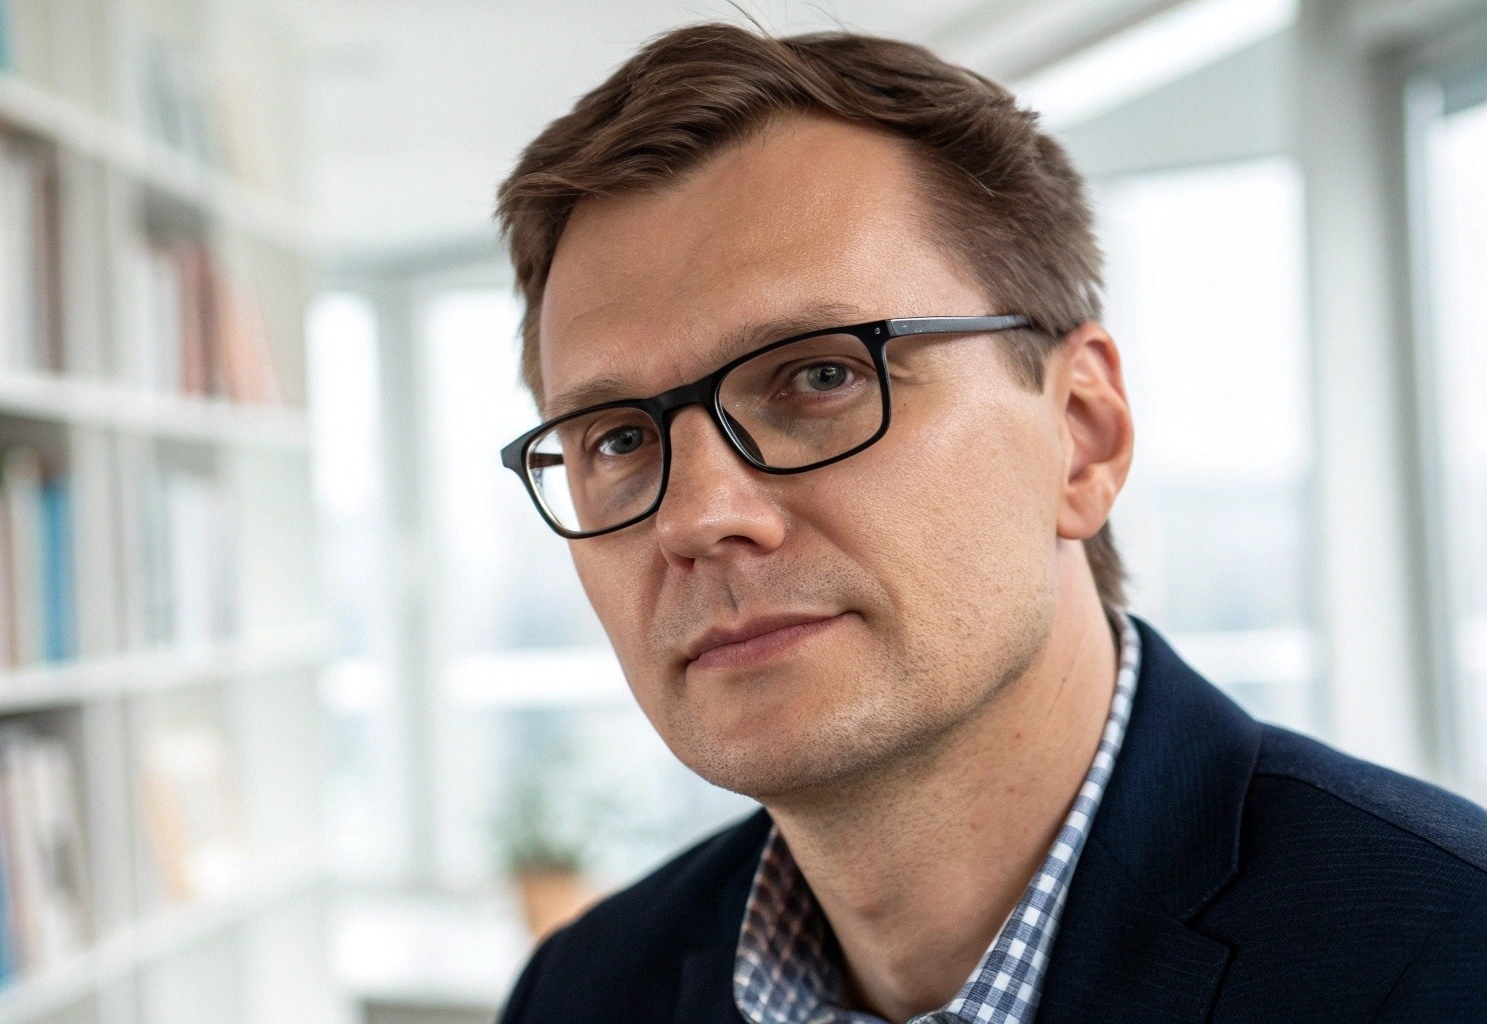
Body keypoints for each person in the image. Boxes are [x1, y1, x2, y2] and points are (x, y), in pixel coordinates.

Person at [491, 23, 1487, 1024]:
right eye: (619, 439)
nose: (701, 516)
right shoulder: (582, 993)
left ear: (1082, 435)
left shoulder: (1451, 954)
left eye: (821, 376)